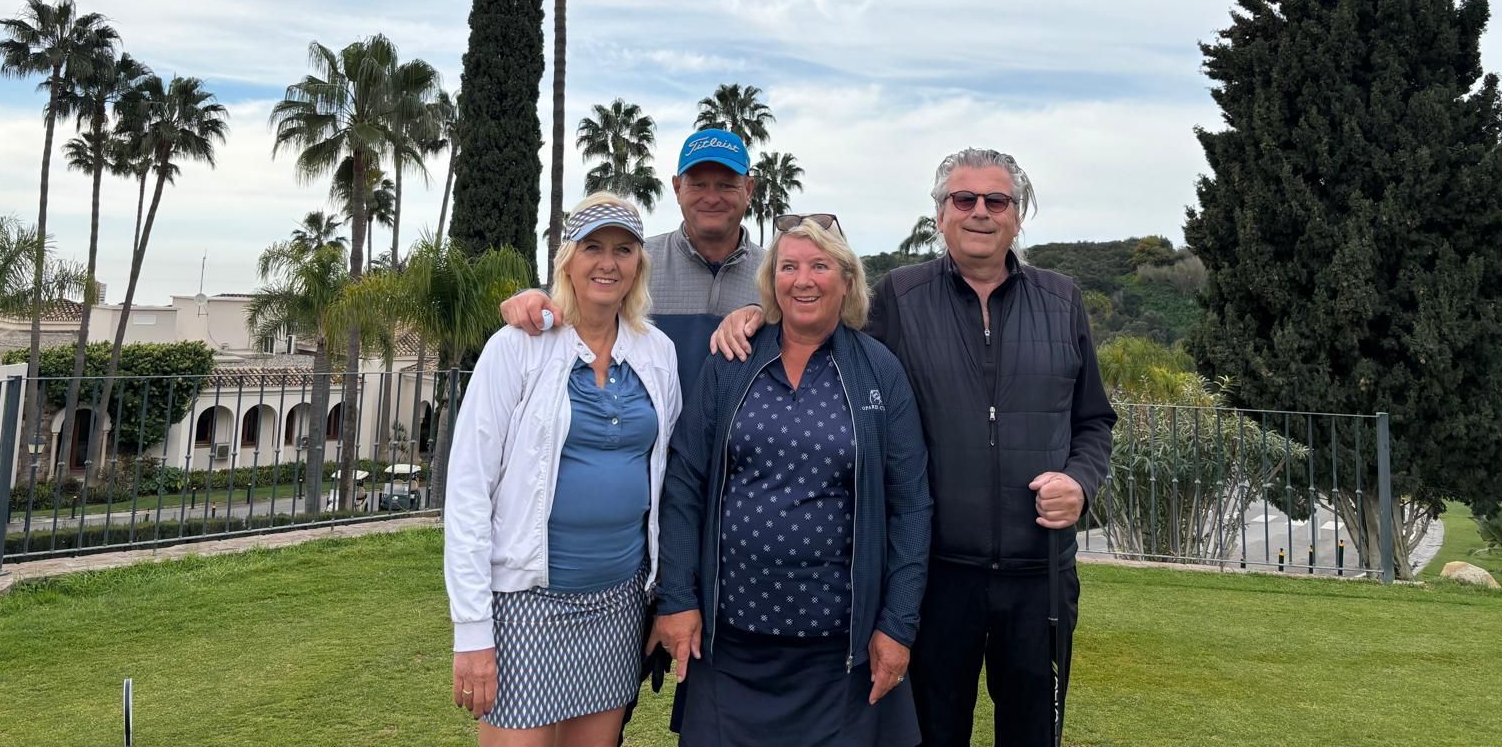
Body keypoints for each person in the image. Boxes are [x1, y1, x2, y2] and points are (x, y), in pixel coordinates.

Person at [713, 149, 1116, 747]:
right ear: (940, 214)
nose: (980, 212)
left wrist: (1080, 482)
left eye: (996, 200)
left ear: (1017, 215)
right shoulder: (901, 295)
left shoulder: (1062, 301)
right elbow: (822, 329)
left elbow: (1094, 421)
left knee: (1034, 734)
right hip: (936, 576)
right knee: (932, 734)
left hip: (1041, 575)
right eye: (964, 199)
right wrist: (759, 313)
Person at [653, 214, 932, 747]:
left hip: (839, 653)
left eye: (820, 266)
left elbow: (911, 505)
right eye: (789, 267)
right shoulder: (732, 360)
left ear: (847, 280)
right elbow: (686, 481)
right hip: (729, 643)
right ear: (772, 280)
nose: (803, 280)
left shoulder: (879, 371)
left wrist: (897, 625)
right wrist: (677, 598)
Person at [446, 193, 682, 745]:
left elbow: (668, 478)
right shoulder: (517, 348)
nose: (608, 263)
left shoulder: (658, 352)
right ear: (567, 260)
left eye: (623, 250)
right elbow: (469, 490)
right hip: (526, 603)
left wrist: (663, 594)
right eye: (593, 247)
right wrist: (473, 631)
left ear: (638, 265)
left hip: (618, 602)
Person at [499, 128, 765, 395]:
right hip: (648, 421)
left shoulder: (777, 275)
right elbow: (575, 303)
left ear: (749, 189)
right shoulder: (633, 262)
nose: (712, 197)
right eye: (698, 184)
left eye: (726, 185)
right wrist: (531, 297)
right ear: (677, 188)